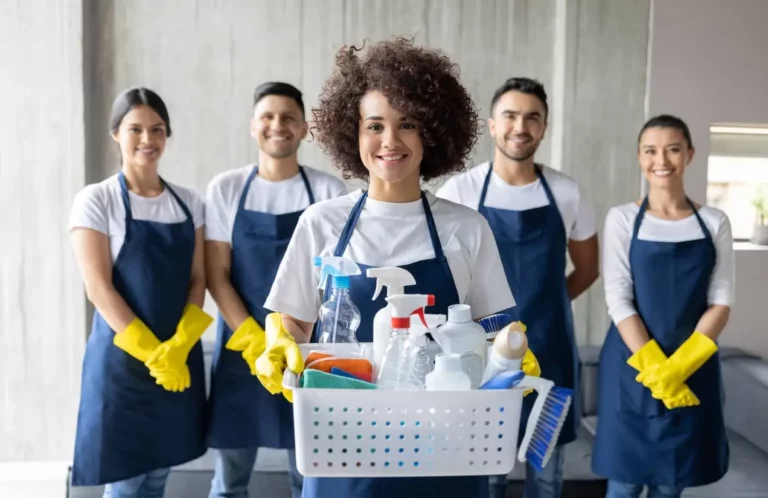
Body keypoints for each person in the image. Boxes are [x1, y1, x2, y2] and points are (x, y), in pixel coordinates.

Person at [253, 38, 539, 498]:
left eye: (407, 123)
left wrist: (510, 350)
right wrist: (277, 338)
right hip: (342, 447)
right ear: (353, 133)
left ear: (432, 132)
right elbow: (295, 322)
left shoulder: (466, 227)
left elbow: (493, 324)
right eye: (374, 125)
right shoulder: (320, 222)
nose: (390, 141)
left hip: (448, 451)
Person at [437, 77, 600, 498]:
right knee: (486, 465)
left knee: (545, 468)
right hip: (483, 352)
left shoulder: (568, 192)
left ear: (543, 128)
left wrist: (545, 307)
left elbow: (586, 269)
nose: (520, 126)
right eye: (510, 115)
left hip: (551, 348)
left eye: (532, 117)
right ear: (493, 125)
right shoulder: (462, 191)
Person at [204, 82, 347, 498]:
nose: (277, 125)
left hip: (304, 347)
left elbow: (331, 278)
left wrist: (290, 339)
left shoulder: (327, 192)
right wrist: (252, 339)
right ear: (253, 126)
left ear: (304, 128)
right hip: (242, 348)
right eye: (267, 117)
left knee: (309, 473)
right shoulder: (226, 189)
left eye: (288, 118)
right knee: (230, 479)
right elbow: (217, 273)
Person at [69, 87, 212, 497]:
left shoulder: (189, 203)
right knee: (127, 482)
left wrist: (180, 346)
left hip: (178, 360)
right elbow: (98, 287)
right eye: (136, 129)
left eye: (157, 129)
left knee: (158, 476)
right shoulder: (96, 201)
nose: (147, 140)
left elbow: (197, 280)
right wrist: (153, 353)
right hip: (123, 364)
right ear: (116, 133)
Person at [592, 115, 733, 498]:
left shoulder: (714, 221)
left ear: (689, 154)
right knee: (623, 482)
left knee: (671, 485)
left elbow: (721, 301)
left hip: (694, 366)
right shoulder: (622, 219)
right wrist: (657, 369)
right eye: (651, 150)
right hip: (632, 367)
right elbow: (618, 299)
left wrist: (679, 368)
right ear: (639, 157)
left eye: (672, 149)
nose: (662, 160)